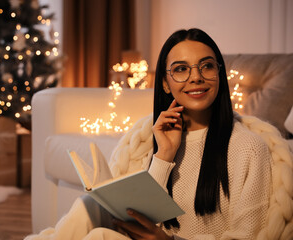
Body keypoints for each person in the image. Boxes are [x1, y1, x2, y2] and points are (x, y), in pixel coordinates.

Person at [31, 28, 272, 240]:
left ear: (219, 74)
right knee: (90, 207)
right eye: (181, 69)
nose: (196, 77)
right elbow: (148, 219)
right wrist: (164, 155)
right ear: (166, 84)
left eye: (207, 66)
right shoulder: (159, 138)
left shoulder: (248, 147)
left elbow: (248, 236)